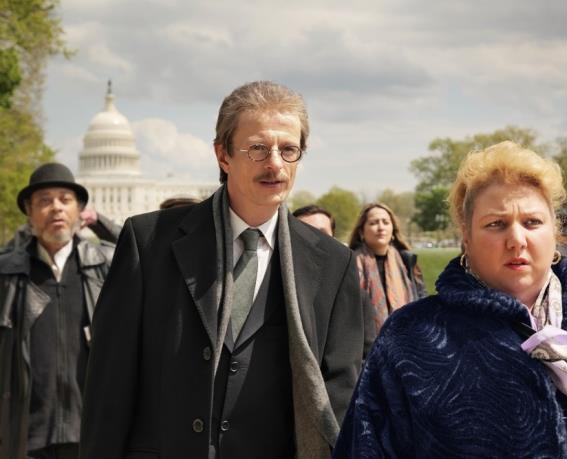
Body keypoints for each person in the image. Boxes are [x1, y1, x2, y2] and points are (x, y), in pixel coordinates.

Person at [334, 141, 567, 458]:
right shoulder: (411, 337)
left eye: (532, 222)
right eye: (496, 224)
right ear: (466, 237)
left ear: (554, 232)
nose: (517, 239)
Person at [80, 81, 365, 459]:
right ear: (223, 155)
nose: (275, 164)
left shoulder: (333, 263)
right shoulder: (148, 243)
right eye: (258, 148)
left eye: (288, 150)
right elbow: (109, 384)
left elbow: (339, 395)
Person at [0, 162, 113, 459]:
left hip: (91, 436)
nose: (56, 208)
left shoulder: (106, 268)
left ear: (80, 210)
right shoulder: (7, 274)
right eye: (44, 201)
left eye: (65, 199)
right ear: (29, 212)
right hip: (25, 438)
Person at [348, 203, 426, 334]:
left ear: (393, 229)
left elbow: (422, 303)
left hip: (407, 340)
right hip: (363, 342)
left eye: (385, 222)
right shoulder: (350, 264)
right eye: (373, 223)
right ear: (361, 231)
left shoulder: (407, 261)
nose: (381, 227)